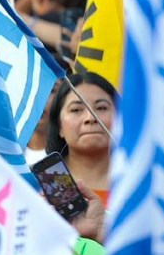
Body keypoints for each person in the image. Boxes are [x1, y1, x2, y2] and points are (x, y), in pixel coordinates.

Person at [46, 72, 118, 206]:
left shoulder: (138, 180)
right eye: (76, 110)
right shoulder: (44, 184)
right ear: (59, 126)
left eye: (101, 108)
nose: (90, 118)